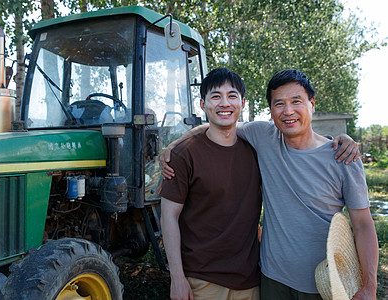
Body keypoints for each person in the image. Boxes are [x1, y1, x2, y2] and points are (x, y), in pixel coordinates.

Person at [161, 69, 378, 299]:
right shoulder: (264, 137)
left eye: (296, 101)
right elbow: (221, 121)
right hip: (271, 281)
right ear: (271, 110)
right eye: (279, 104)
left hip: (323, 284)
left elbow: (363, 225)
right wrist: (174, 146)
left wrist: (369, 286)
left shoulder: (343, 158)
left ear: (312, 104)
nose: (288, 111)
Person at [158, 68, 262, 300]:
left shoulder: (257, 150)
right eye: (216, 96)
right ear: (203, 105)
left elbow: (299, 138)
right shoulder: (184, 154)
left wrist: (337, 142)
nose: (224, 103)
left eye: (232, 96)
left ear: (242, 103)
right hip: (201, 282)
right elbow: (169, 217)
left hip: (250, 282)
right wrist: (177, 278)